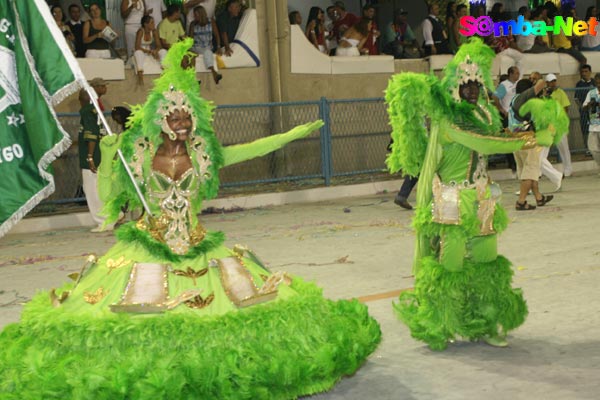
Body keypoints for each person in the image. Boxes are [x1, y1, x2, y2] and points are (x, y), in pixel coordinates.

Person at [0, 40, 381, 398]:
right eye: (174, 115)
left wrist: (289, 135)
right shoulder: (139, 156)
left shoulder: (203, 154)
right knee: (136, 316)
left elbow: (246, 150)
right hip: (148, 246)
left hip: (196, 245)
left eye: (187, 115)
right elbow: (110, 188)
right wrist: (108, 153)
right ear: (159, 118)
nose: (182, 122)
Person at [387, 38, 568, 350]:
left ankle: (486, 324)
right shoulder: (449, 123)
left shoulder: (483, 117)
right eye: (467, 84)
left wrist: (530, 131)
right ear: (456, 88)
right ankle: (442, 324)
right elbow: (487, 145)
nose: (472, 89)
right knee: (451, 266)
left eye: (476, 84)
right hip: (451, 200)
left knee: (486, 262)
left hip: (482, 198)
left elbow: (496, 136)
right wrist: (530, 140)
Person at [510, 77, 563, 210]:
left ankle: (538, 197)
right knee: (531, 170)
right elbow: (541, 84)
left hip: (515, 139)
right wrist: (538, 80)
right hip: (526, 139)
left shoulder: (514, 100)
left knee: (528, 170)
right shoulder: (523, 98)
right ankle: (521, 202)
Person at [77, 88, 110, 232]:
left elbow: (91, 136)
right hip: (101, 155)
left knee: (92, 190)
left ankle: (103, 221)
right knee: (101, 188)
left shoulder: (87, 112)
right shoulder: (96, 111)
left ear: (82, 99)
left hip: (92, 157)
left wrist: (90, 157)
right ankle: (114, 215)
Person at [544, 73, 572, 178]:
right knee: (544, 148)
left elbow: (566, 107)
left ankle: (568, 169)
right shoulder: (544, 94)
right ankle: (543, 171)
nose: (553, 83)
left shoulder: (560, 92)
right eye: (551, 81)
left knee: (564, 147)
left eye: (554, 81)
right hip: (548, 124)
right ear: (547, 83)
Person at [493, 66, 520, 174]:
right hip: (508, 116)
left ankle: (518, 161)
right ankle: (512, 162)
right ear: (511, 74)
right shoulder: (504, 85)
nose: (518, 75)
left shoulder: (518, 84)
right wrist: (501, 109)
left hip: (517, 116)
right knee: (509, 139)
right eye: (516, 73)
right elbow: (495, 97)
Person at [189, 5, 222, 84]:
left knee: (208, 52)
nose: (194, 17)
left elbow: (217, 35)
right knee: (204, 52)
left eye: (196, 15)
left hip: (207, 46)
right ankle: (212, 73)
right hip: (196, 47)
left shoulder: (211, 22)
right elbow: (190, 39)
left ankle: (214, 73)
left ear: (201, 14)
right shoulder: (193, 24)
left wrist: (218, 47)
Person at [134, 15, 167, 85]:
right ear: (145, 24)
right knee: (138, 52)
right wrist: (148, 51)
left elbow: (159, 46)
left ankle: (164, 69)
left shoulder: (154, 31)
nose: (154, 24)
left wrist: (155, 51)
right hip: (141, 51)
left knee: (163, 51)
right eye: (152, 23)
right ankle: (140, 74)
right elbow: (137, 47)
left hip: (149, 52)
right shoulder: (140, 31)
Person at [582, 73, 600, 171]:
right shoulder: (591, 93)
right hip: (593, 126)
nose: (599, 85)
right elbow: (584, 107)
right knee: (593, 149)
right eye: (597, 83)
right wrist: (590, 104)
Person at [576, 64, 595, 145]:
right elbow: (576, 99)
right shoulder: (579, 84)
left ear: (590, 72)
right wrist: (582, 108)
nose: (584, 73)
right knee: (585, 129)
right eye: (582, 72)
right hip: (584, 112)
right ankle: (587, 148)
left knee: (595, 128)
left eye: (586, 71)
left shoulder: (595, 82)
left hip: (594, 111)